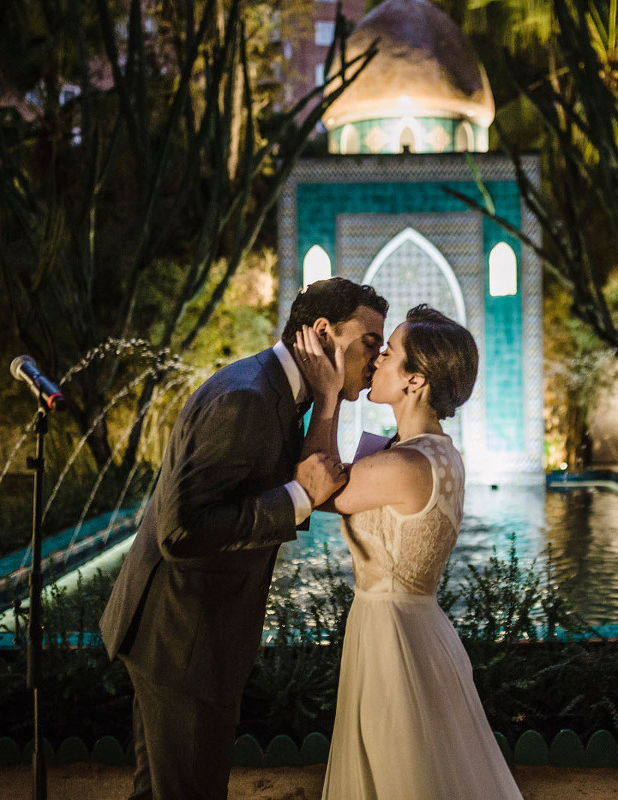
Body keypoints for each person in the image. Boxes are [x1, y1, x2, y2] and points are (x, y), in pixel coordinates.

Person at [98, 277, 388, 800]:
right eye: (369, 342)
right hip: (183, 639)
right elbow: (181, 531)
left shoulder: (276, 391)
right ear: (323, 332)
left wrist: (327, 401)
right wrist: (298, 497)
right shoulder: (247, 397)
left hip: (189, 634)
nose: (378, 357)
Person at [293, 303, 524, 800]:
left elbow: (315, 483)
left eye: (388, 353)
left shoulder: (405, 466)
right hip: (416, 630)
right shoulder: (436, 452)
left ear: (415, 380)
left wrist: (327, 393)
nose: (376, 360)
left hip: (392, 639)